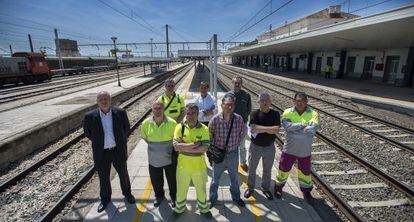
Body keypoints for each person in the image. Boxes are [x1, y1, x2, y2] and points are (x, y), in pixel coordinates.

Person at [83, 91, 135, 213]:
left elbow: (126, 129)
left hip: (117, 150)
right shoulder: (90, 116)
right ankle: (105, 199)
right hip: (102, 153)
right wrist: (100, 142)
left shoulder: (120, 113)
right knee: (103, 177)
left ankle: (127, 194)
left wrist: (119, 141)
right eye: (101, 99)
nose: (104, 101)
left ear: (110, 100)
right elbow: (88, 133)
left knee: (123, 174)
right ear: (97, 101)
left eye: (106, 98)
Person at [274, 92, 319, 201]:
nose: (300, 103)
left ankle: (306, 191)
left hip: (305, 150)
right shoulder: (287, 112)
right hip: (289, 149)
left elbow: (312, 130)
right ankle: (278, 187)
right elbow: (288, 127)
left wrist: (295, 128)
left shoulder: (313, 113)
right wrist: (303, 126)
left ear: (306, 102)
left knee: (305, 172)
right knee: (283, 170)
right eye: (297, 101)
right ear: (294, 101)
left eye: (302, 101)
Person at [172, 103, 212, 219]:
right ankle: (179, 209)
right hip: (182, 167)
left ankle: (204, 209)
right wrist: (196, 144)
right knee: (181, 189)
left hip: (199, 167)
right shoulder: (179, 127)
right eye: (188, 113)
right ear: (185, 114)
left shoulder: (204, 128)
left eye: (193, 113)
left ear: (198, 114)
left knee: (201, 190)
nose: (190, 116)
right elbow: (176, 147)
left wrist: (184, 146)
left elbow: (205, 148)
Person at [209, 93, 246, 208]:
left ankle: (236, 197)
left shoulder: (239, 119)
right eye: (227, 104)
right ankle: (212, 198)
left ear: (234, 106)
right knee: (215, 180)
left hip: (233, 154)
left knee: (234, 179)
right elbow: (210, 137)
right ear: (222, 105)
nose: (229, 107)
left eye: (231, 105)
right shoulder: (215, 120)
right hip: (219, 155)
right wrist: (212, 154)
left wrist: (234, 145)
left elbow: (242, 134)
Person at [140, 100, 177, 208]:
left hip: (170, 158)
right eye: (155, 108)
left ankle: (174, 196)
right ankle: (159, 196)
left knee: (172, 179)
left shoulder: (172, 123)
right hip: (154, 159)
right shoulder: (146, 123)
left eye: (160, 108)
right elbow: (145, 138)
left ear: (164, 109)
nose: (157, 110)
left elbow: (176, 139)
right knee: (156, 180)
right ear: (152, 109)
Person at [244, 92, 280, 200]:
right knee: (251, 169)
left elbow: (276, 130)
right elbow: (253, 129)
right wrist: (269, 129)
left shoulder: (275, 114)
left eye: (266, 100)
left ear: (270, 102)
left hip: (269, 147)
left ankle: (265, 188)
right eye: (262, 100)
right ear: (258, 102)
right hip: (255, 147)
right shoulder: (254, 113)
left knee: (267, 170)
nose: (264, 102)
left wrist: (261, 128)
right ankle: (250, 188)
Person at [229, 76, 251, 173]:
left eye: (239, 83)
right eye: (235, 83)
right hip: (230, 125)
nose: (237, 85)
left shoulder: (246, 95)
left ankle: (242, 163)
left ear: (241, 84)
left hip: (242, 125)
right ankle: (231, 163)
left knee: (242, 146)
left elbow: (249, 109)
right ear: (232, 83)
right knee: (230, 146)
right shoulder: (228, 95)